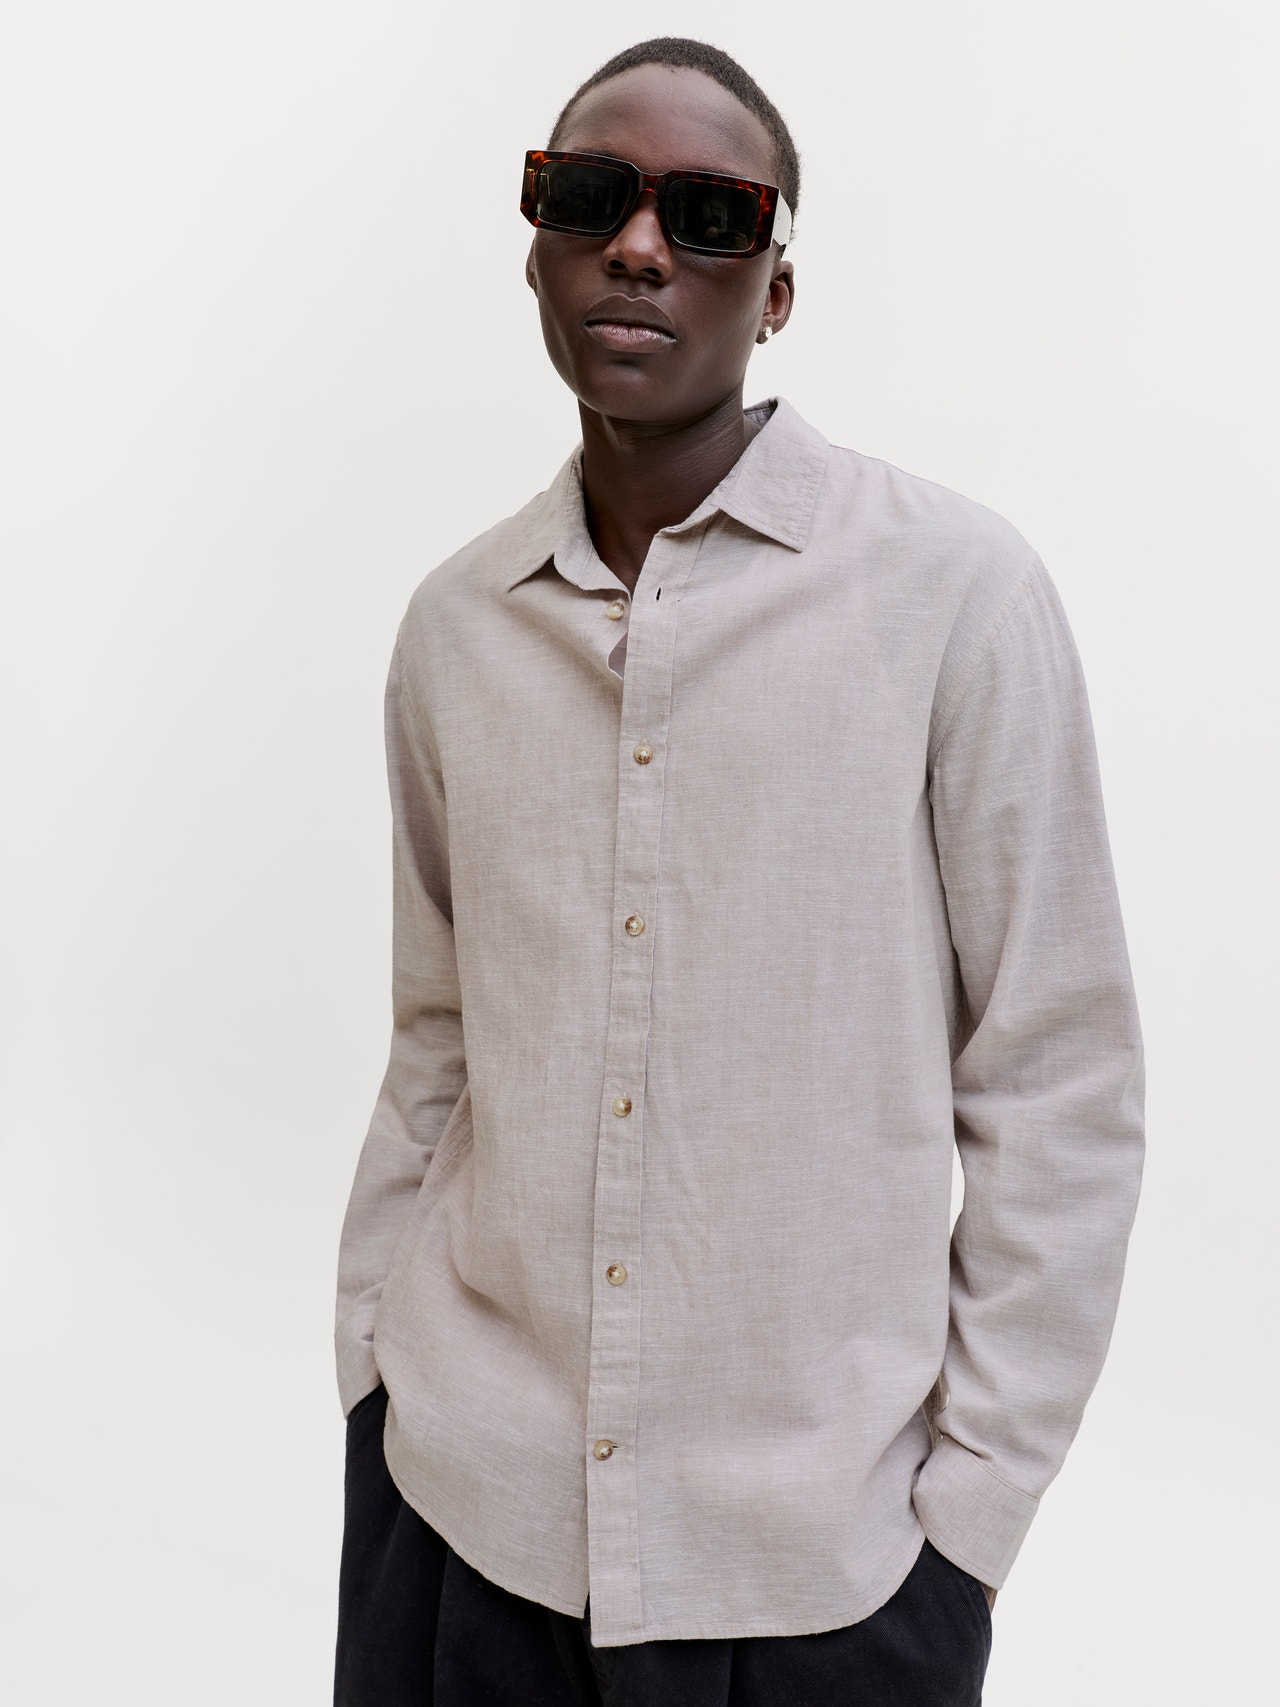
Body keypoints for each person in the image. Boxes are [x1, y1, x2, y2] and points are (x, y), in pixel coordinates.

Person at [332, 36, 1145, 1707]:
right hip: (461, 1518)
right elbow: (438, 1041)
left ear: (773, 294)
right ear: (538, 248)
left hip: (823, 1582)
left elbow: (1059, 1083)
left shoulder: (957, 601)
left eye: (708, 215)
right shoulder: (455, 630)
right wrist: (371, 1380)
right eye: (590, 197)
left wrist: (967, 1535)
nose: (640, 248)